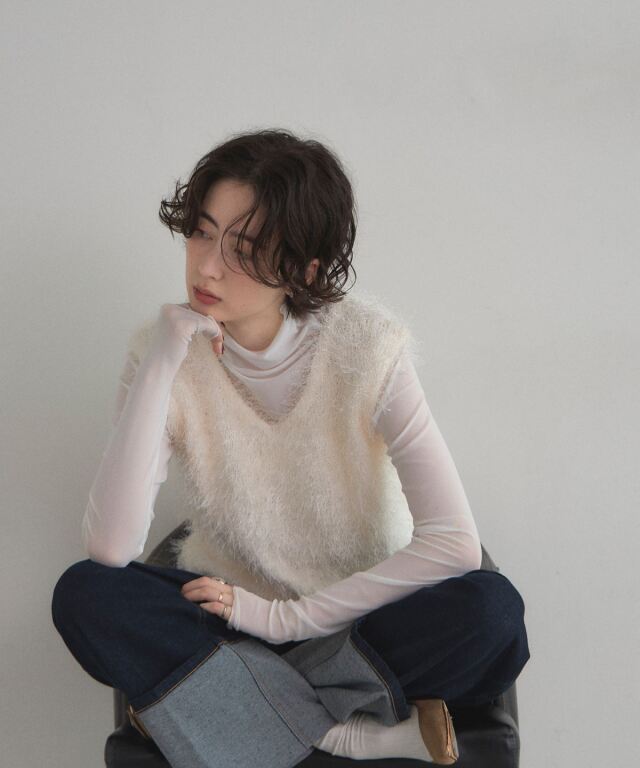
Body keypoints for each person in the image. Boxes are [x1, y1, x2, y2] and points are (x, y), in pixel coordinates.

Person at [51, 128, 530, 768]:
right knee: (85, 596)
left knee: (493, 616)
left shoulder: (367, 346)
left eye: (244, 249)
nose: (207, 266)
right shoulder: (161, 352)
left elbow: (453, 542)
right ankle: (341, 734)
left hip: (356, 619)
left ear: (304, 270)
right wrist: (163, 359)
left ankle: (237, 713)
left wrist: (288, 621)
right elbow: (111, 548)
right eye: (201, 232)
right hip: (225, 618)